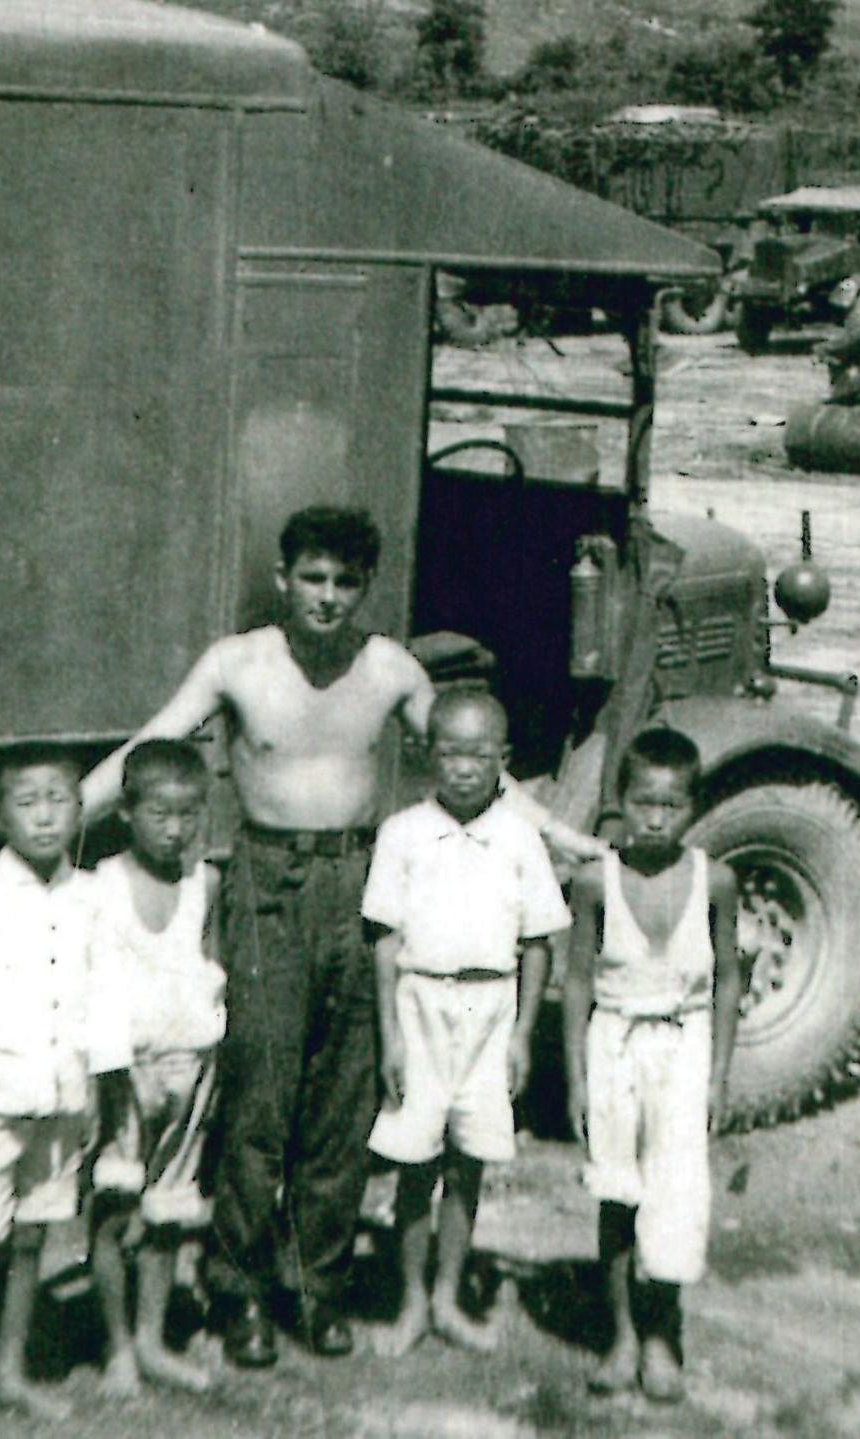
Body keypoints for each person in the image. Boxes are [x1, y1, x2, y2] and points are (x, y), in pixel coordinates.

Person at [78, 504, 596, 1367]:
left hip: (359, 885)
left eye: (345, 582)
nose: (327, 597)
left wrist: (560, 833)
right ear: (283, 580)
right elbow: (149, 745)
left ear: (366, 588)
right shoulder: (236, 663)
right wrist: (50, 836)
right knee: (257, 1096)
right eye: (311, 579)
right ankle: (239, 1290)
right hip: (264, 886)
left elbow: (475, 757)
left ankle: (316, 1285)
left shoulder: (390, 670)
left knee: (343, 1100)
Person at [0, 745, 130, 1432]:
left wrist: (96, 1092)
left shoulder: (92, 895)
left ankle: (14, 1371)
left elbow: (100, 1003)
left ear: (80, 808)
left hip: (60, 1099)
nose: (45, 815)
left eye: (60, 799)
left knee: (35, 1236)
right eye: (27, 800)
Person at [361, 690, 569, 1357]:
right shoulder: (403, 833)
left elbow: (538, 942)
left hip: (491, 1008)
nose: (464, 768)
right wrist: (391, 1035)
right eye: (450, 752)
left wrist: (521, 1035)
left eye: (480, 754)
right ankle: (413, 1299)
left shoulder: (519, 837)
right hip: (421, 1007)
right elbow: (385, 940)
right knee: (415, 1160)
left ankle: (449, 1295)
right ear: (427, 755)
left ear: (503, 760)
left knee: (470, 1159)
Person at [561, 726, 741, 1405]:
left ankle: (663, 1333)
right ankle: (623, 1334)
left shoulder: (715, 881)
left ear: (691, 806)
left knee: (676, 1188)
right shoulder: (593, 881)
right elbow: (576, 980)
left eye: (670, 805)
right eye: (642, 803)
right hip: (614, 1041)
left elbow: (728, 980)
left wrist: (719, 1074)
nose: (655, 817)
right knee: (618, 1189)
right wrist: (578, 1077)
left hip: (685, 1044)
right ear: (620, 802)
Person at [83, 739, 223, 1396]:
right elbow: (88, 984)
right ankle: (116, 1347)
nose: (175, 828)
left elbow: (209, 973)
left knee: (168, 1211)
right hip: (122, 1071)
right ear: (127, 813)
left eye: (189, 814)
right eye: (160, 813)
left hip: (189, 1069)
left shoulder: (204, 884)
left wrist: (206, 1056)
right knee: (114, 1205)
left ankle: (152, 1337)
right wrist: (106, 1071)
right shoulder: (100, 887)